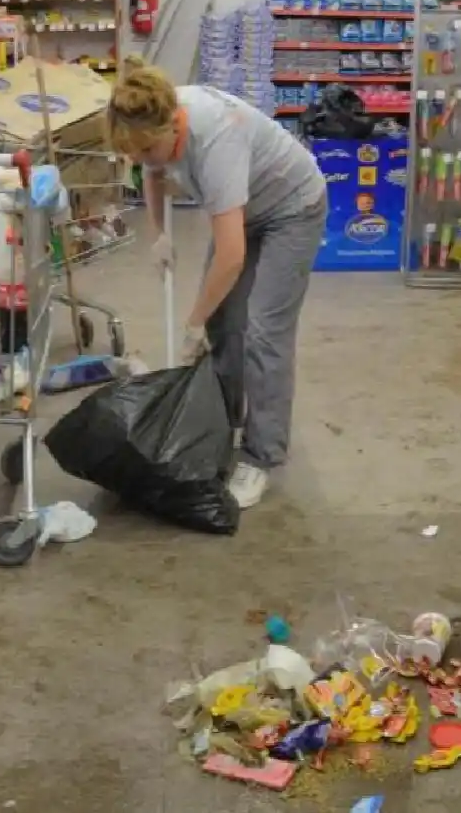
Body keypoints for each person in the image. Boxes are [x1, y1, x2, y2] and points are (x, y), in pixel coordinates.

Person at [106, 57, 327, 510]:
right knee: (224, 321)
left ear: (172, 129)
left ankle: (261, 455)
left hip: (293, 208)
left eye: (145, 150)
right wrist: (159, 232)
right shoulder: (156, 117)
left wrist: (192, 323)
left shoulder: (215, 141)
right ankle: (221, 425)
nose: (140, 159)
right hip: (246, 208)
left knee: (263, 331)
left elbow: (230, 257)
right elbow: (153, 172)